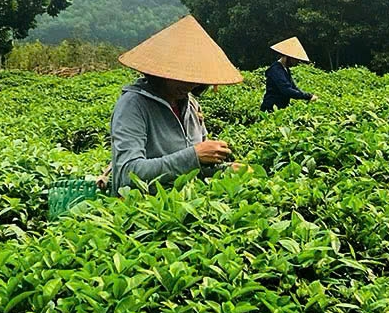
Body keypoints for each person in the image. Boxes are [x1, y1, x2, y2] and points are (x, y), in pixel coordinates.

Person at [109, 16, 243, 196]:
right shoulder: (133, 105)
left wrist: (225, 169)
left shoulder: (191, 105)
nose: (190, 85)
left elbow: (196, 167)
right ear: (162, 72)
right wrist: (193, 155)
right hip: (145, 213)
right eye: (183, 77)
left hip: (186, 206)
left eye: (195, 78)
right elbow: (127, 174)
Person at [261, 37, 318, 112]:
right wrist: (308, 96)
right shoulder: (276, 70)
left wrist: (308, 95)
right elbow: (286, 90)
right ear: (287, 57)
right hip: (271, 108)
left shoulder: (285, 69)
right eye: (294, 59)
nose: (296, 62)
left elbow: (293, 87)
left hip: (280, 109)